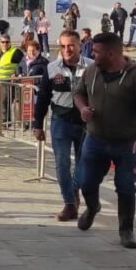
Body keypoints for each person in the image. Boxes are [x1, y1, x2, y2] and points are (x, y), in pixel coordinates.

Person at [73, 32, 136, 248]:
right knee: (86, 181)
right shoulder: (91, 71)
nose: (92, 54)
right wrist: (83, 108)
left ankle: (126, 230)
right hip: (95, 139)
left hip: (127, 143)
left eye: (96, 52)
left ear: (111, 53)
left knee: (126, 186)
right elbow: (78, 93)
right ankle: (93, 208)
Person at [33, 30, 91, 221]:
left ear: (79, 46)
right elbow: (42, 98)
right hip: (61, 121)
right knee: (62, 163)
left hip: (86, 124)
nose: (66, 50)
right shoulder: (52, 68)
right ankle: (69, 203)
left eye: (71, 46)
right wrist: (38, 124)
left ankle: (74, 190)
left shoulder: (92, 67)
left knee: (84, 164)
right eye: (63, 46)